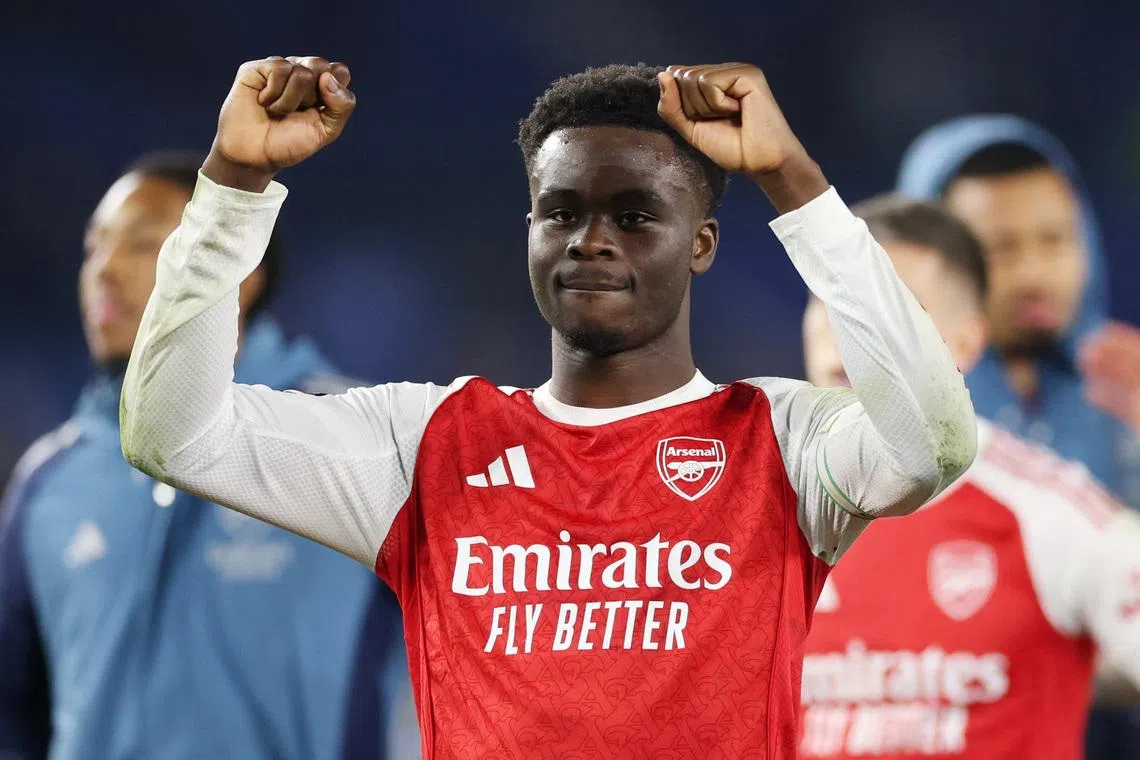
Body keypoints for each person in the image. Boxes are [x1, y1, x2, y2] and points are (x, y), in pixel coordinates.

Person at [118, 57, 977, 758]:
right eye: (561, 212)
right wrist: (233, 185)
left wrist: (794, 183)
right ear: (529, 228)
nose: (590, 239)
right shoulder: (424, 447)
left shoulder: (781, 442)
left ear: (702, 244)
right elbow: (173, 435)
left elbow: (933, 443)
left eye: (635, 216)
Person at [0, 152, 416, 760]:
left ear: (242, 269)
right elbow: (15, 713)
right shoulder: (51, 479)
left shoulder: (355, 439)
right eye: (94, 248)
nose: (105, 270)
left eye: (142, 246)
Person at [798, 195, 1140, 759]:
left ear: (964, 344)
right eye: (833, 299)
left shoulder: (1048, 511)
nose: (848, 331)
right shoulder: (746, 512)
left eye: (888, 307)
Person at [896, 115, 1140, 758]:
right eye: (1000, 248)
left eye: (1055, 239)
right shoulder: (890, 414)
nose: (1035, 271)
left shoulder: (1124, 385)